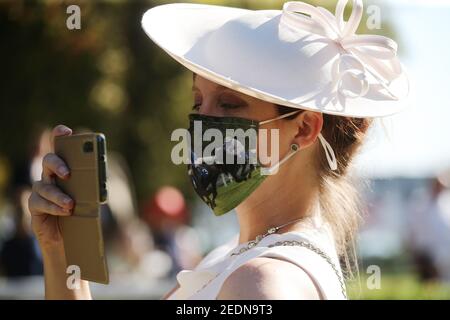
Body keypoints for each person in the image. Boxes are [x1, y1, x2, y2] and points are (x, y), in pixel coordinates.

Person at [28, 0, 409, 299]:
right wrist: (62, 255)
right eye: (198, 102)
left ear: (305, 127)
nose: (203, 124)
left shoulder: (261, 283)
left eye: (229, 105)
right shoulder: (234, 258)